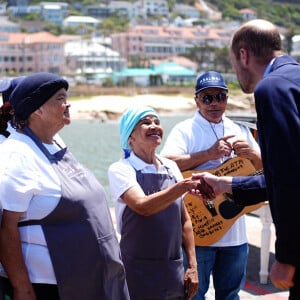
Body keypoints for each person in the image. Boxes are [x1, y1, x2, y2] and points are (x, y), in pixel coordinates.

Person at [0, 72, 130, 300]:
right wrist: (23, 288)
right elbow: (5, 228)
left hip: (90, 280)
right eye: (59, 99)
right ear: (37, 109)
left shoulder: (55, 142)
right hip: (53, 286)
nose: (67, 104)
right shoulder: (16, 155)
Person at [160, 71, 262, 300]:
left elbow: (265, 171)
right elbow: (165, 163)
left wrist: (254, 155)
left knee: (231, 296)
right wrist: (208, 153)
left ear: (227, 98)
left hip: (235, 234)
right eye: (207, 98)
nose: (214, 103)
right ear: (196, 100)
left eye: (220, 97)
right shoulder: (184, 130)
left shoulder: (242, 130)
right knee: (194, 296)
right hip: (199, 230)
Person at [228, 19, 300, 299]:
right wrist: (229, 186)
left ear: (243, 55)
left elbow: (289, 174)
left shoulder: (271, 89)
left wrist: (287, 256)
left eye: (233, 62)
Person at [108, 106, 199, 300]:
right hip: (137, 271)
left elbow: (184, 221)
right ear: (129, 135)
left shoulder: (171, 167)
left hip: (173, 269)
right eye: (146, 122)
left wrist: (192, 266)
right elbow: (143, 206)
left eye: (157, 122)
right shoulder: (121, 169)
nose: (154, 126)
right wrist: (182, 187)